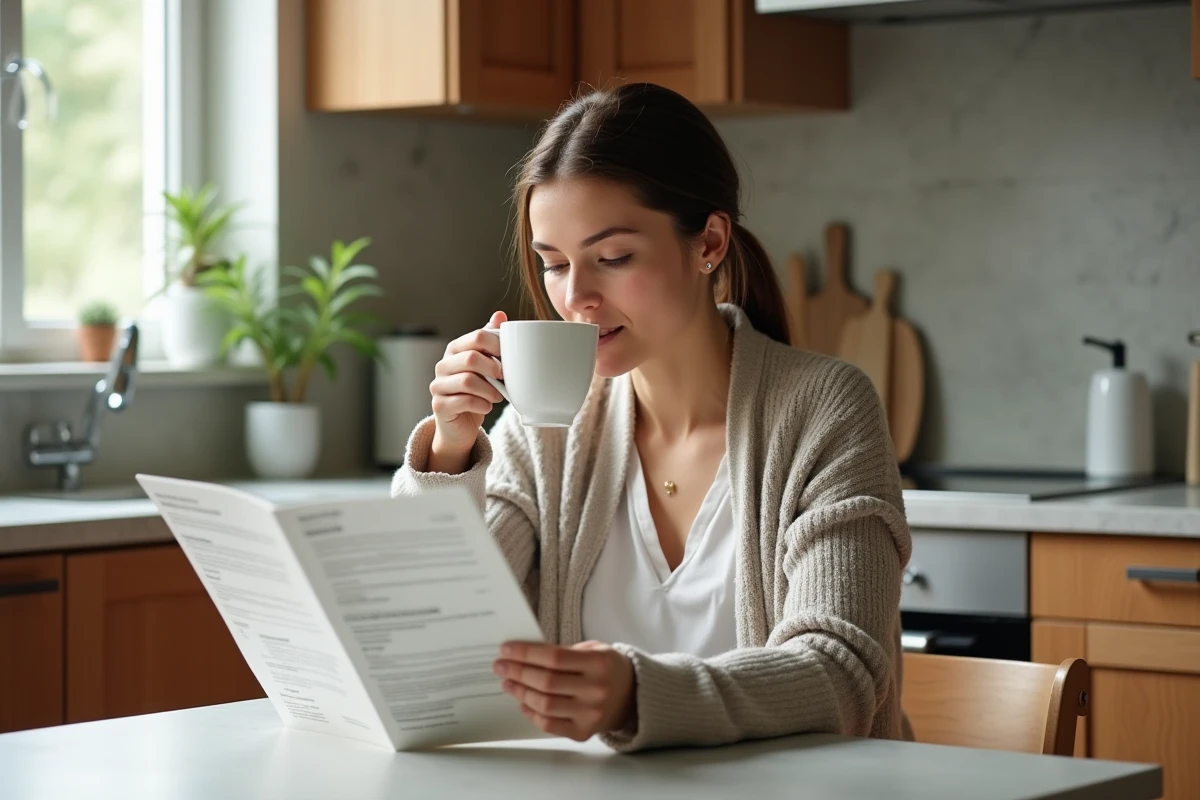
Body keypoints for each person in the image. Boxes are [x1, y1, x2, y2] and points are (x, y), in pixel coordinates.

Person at [391, 82, 912, 753]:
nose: (574, 297)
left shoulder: (823, 409)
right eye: (553, 265)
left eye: (612, 259)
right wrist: (451, 452)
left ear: (710, 244)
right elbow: (429, 633)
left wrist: (638, 694)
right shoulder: (546, 428)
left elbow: (842, 673)